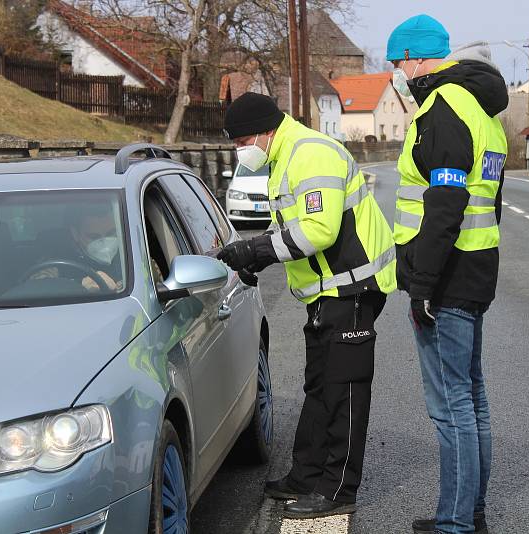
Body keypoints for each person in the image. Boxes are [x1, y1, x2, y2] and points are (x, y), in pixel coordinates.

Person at [216, 92, 397, 519]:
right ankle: (306, 474)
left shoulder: (310, 154)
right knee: (319, 389)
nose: (241, 151)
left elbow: (318, 230)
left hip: (352, 289)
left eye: (242, 142)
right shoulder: (284, 157)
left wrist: (257, 251)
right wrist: (256, 259)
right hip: (325, 294)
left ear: (265, 131)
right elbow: (291, 230)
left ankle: (338, 489)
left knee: (345, 392)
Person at [387, 14, 508, 534]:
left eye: (397, 61)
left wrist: (422, 285)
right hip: (476, 266)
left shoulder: (443, 107)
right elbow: (491, 201)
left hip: (447, 276)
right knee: (472, 397)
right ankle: (470, 515)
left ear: (417, 57)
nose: (395, 72)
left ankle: (455, 524)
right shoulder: (482, 109)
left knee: (451, 405)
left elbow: (445, 204)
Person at [30, 204, 124, 292]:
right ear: (75, 234)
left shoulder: (129, 251)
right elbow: (38, 287)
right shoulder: (58, 260)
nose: (105, 243)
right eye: (94, 237)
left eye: (111, 233)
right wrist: (79, 284)